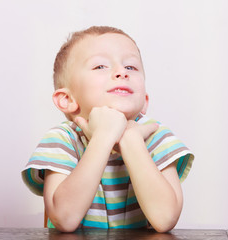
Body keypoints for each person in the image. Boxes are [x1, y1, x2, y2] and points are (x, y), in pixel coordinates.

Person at [22, 26, 194, 233]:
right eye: (100, 66)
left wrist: (131, 140)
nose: (121, 72)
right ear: (67, 99)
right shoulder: (61, 139)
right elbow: (64, 219)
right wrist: (103, 137)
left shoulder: (156, 135)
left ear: (144, 101)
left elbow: (165, 219)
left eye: (131, 67)